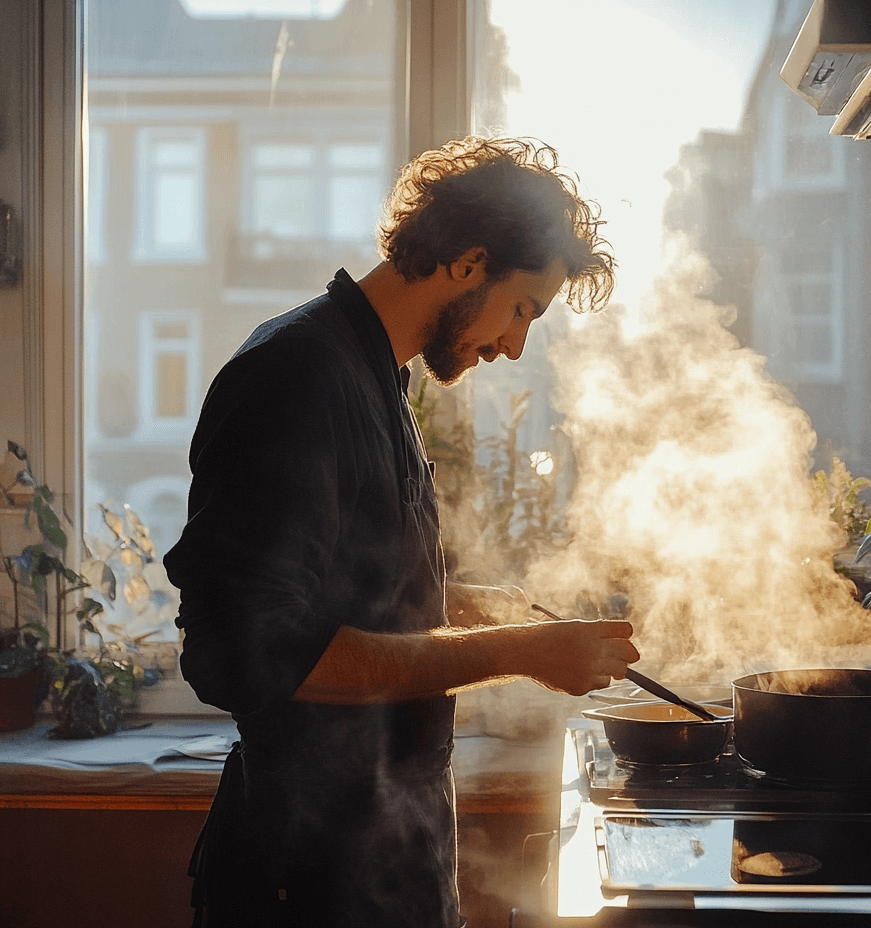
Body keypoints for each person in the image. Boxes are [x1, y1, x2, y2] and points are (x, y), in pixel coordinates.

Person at [164, 136, 640, 928]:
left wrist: (470, 605)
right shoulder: (297, 376)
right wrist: (519, 654)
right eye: (522, 308)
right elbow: (247, 653)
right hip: (308, 883)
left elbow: (353, 595)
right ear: (467, 261)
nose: (516, 344)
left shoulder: (372, 373)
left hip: (383, 865)